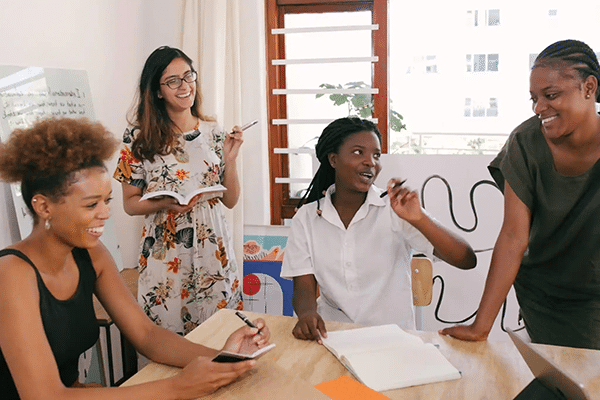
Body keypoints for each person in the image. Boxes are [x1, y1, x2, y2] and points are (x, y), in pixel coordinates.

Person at [0, 117, 271, 399]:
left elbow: (146, 335)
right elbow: (43, 395)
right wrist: (179, 387)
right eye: (91, 204)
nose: (105, 214)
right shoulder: (12, 273)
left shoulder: (92, 256)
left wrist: (225, 358)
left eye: (107, 201)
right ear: (43, 206)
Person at [440, 39, 600, 350]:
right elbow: (514, 236)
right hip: (544, 297)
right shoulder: (525, 143)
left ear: (589, 88)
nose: (540, 108)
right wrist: (480, 327)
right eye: (534, 98)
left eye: (551, 95)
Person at [280, 117, 477, 342]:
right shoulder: (307, 217)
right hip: (332, 336)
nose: (370, 162)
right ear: (333, 159)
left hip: (393, 340)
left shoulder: (395, 209)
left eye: (376, 155)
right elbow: (303, 285)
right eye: (358, 152)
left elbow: (465, 259)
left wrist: (419, 218)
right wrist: (307, 314)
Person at [114, 46, 244, 335]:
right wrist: (164, 203)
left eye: (188, 76)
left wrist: (231, 160)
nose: (185, 86)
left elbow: (231, 201)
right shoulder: (137, 137)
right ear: (157, 91)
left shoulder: (214, 131)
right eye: (173, 80)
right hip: (166, 258)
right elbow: (130, 204)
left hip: (214, 253)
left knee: (222, 341)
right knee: (168, 344)